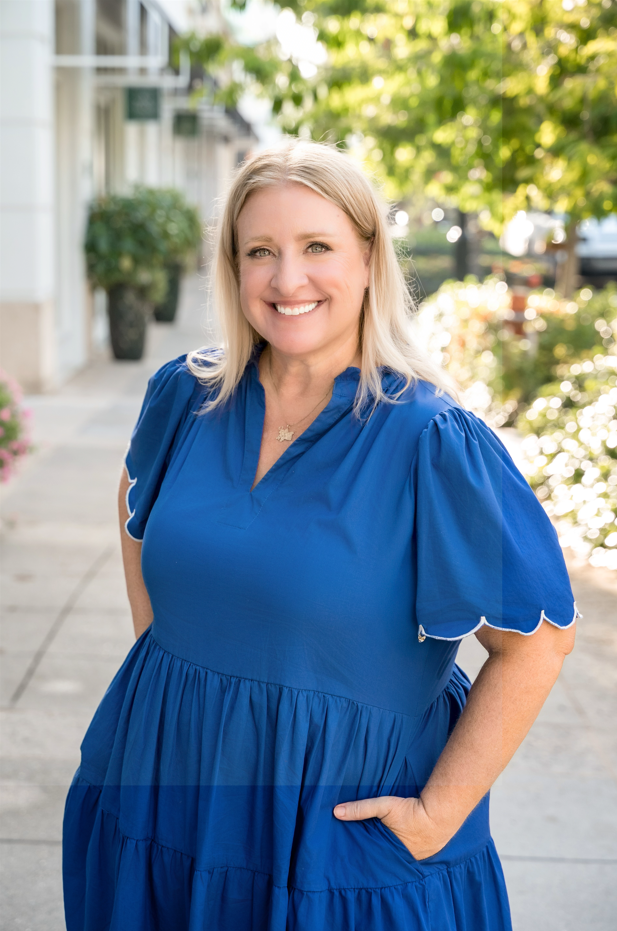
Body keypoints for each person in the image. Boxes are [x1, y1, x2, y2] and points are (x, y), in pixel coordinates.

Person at [62, 140, 578, 931]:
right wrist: (171, 666)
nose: (286, 279)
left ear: (369, 259)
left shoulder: (431, 441)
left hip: (330, 841)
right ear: (232, 270)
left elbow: (535, 641)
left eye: (316, 248)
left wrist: (438, 813)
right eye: (259, 251)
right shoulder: (184, 395)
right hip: (160, 791)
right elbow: (138, 507)